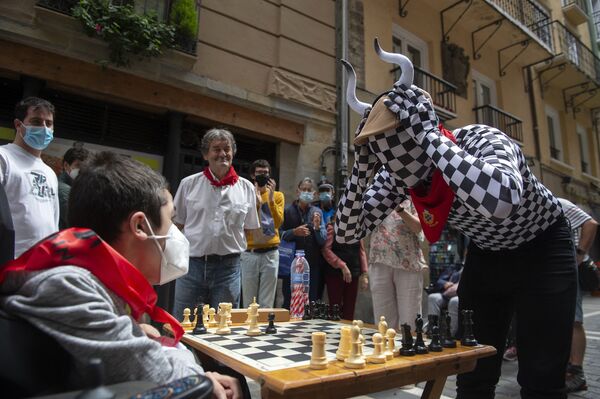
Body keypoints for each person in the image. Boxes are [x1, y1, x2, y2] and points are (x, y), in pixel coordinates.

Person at [337, 54, 576, 399]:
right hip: (488, 253)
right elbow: (346, 232)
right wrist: (361, 171)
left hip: (542, 246)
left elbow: (501, 200)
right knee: (472, 373)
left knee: (542, 378)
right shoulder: (398, 178)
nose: (391, 160)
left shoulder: (481, 140)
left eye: (396, 141)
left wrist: (431, 139)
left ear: (421, 128)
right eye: (380, 150)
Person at [0, 152, 241, 398]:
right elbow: (163, 377)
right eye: (171, 220)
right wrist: (198, 374)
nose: (176, 235)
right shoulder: (70, 286)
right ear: (139, 226)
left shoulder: (97, 284)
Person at [173, 128, 259, 316]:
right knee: (182, 325)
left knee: (223, 329)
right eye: (216, 149)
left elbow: (250, 229)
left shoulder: (247, 188)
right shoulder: (188, 184)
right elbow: (176, 225)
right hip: (191, 267)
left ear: (233, 152)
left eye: (226, 149)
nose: (222, 154)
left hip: (228, 270)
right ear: (206, 154)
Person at [0, 97, 59, 258]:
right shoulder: (3, 158)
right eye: (36, 121)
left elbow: (54, 221)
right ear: (19, 125)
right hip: (11, 264)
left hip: (43, 265)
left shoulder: (49, 173)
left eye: (49, 123)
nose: (44, 128)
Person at [558, 197, 598, 393]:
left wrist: (579, 255)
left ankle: (577, 372)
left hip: (568, 270)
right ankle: (566, 369)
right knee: (562, 321)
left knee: (574, 320)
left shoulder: (558, 203)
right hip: (556, 272)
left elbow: (590, 223)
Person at [367, 200, 427, 330]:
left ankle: (410, 348)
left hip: (408, 262)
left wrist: (399, 209)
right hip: (379, 260)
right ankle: (386, 350)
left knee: (410, 320)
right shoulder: (375, 193)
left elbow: (419, 226)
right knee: (383, 322)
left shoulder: (412, 194)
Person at [240, 159, 284, 308]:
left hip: (270, 253)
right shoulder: (246, 195)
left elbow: (277, 223)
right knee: (249, 301)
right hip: (250, 252)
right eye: (259, 173)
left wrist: (269, 200)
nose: (263, 176)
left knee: (266, 302)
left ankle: (266, 329)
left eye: (265, 173)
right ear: (253, 175)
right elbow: (244, 222)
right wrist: (256, 203)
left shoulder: (278, 196)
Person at [280, 177, 327, 308]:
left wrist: (317, 228)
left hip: (311, 265)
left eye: (309, 190)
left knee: (310, 302)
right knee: (289, 301)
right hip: (291, 265)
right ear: (298, 192)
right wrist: (294, 232)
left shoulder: (317, 213)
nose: (306, 192)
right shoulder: (287, 211)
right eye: (304, 189)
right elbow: (278, 234)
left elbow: (323, 240)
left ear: (314, 194)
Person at [321, 214, 368, 320]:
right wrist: (341, 265)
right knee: (335, 307)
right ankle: (334, 334)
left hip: (354, 273)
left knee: (349, 308)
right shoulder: (333, 227)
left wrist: (365, 274)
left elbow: (361, 251)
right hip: (335, 273)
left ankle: (348, 333)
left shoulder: (357, 229)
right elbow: (326, 250)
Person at [58, 146, 90, 229]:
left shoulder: (77, 186)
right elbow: (77, 222)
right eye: (78, 165)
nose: (81, 169)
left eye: (84, 166)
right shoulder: (63, 189)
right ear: (66, 165)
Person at [427, 263, 462, 337]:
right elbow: (440, 280)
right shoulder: (455, 267)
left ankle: (450, 334)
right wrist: (445, 283)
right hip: (447, 293)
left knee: (454, 301)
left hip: (461, 294)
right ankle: (433, 330)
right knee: (433, 297)